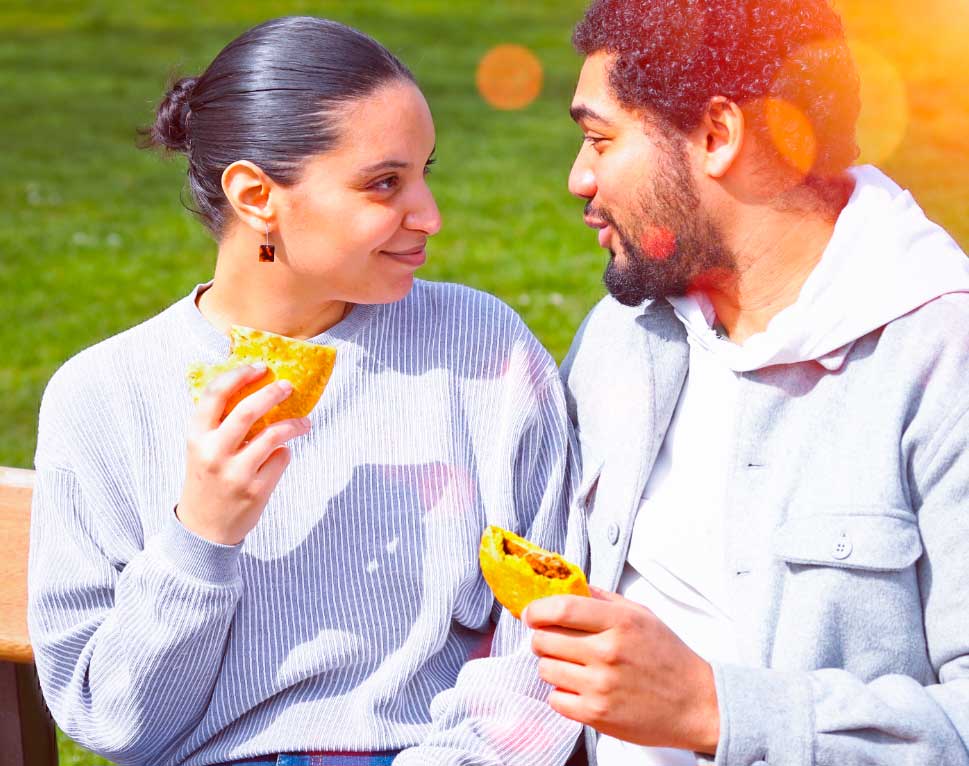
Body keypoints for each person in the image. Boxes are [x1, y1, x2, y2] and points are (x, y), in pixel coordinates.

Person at [396, 1, 969, 764]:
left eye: (599, 138)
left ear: (716, 135)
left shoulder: (939, 358)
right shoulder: (622, 335)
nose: (578, 177)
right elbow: (533, 660)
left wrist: (711, 710)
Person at [26, 16, 575, 766]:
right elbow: (115, 722)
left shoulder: (483, 350)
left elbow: (548, 641)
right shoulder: (103, 398)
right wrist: (201, 538)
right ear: (256, 195)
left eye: (424, 173)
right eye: (384, 183)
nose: (429, 216)